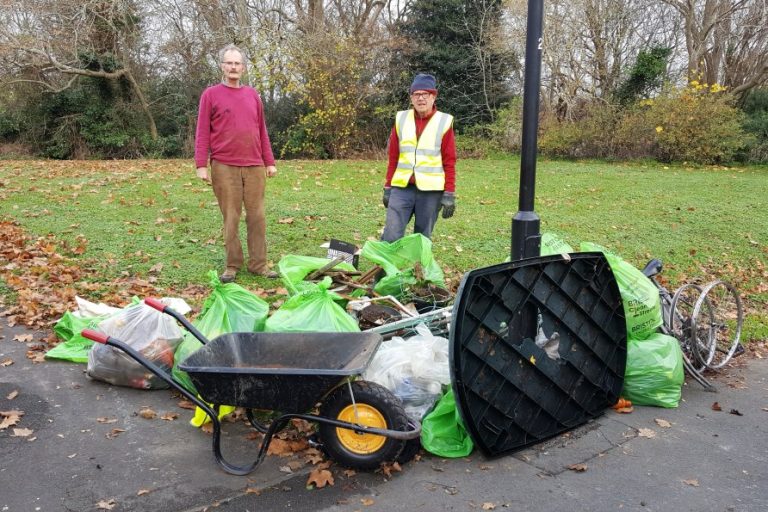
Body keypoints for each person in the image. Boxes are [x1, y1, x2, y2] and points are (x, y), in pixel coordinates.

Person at [195, 44, 278, 283]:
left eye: (237, 63)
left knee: (257, 216)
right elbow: (202, 131)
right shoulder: (210, 94)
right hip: (224, 166)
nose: (233, 67)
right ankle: (232, 265)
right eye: (229, 63)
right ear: (222, 66)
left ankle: (259, 264)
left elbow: (261, 130)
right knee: (231, 217)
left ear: (243, 67)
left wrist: (269, 162)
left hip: (254, 166)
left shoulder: (253, 95)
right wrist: (201, 164)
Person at [381, 73, 456, 242]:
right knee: (391, 234)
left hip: (431, 192)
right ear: (411, 97)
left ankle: (418, 269)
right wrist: (387, 187)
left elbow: (449, 161)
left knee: (422, 238)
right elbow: (393, 157)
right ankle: (385, 268)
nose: (421, 98)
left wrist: (449, 193)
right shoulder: (401, 119)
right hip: (402, 188)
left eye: (425, 94)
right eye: (417, 94)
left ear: (433, 97)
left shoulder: (444, 122)